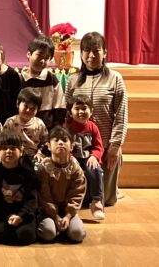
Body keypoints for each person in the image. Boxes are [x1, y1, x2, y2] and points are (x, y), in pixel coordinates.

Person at [64, 31, 128, 206]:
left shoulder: (115, 78)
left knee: (106, 199)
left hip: (105, 146)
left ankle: (112, 190)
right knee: (81, 199)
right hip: (79, 149)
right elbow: (67, 113)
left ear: (104, 53)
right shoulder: (73, 80)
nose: (91, 55)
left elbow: (121, 114)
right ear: (81, 54)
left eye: (96, 50)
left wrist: (115, 146)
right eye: (86, 50)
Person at [0, 132, 39, 245]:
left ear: (21, 150)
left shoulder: (27, 171)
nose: (8, 151)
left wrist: (21, 216)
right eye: (4, 148)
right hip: (3, 213)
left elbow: (32, 199)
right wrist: (8, 215)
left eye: (13, 148)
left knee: (26, 235)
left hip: (24, 214)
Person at [37, 126, 86, 243]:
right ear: (49, 146)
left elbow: (77, 194)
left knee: (77, 234)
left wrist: (68, 216)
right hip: (48, 211)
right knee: (48, 233)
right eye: (56, 140)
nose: (60, 143)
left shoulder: (75, 168)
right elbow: (44, 196)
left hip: (68, 211)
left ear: (72, 146)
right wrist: (55, 216)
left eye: (64, 140)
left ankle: (66, 226)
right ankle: (57, 226)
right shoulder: (44, 168)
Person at [66, 94, 105, 219]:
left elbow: (98, 146)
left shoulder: (93, 127)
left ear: (91, 111)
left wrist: (94, 156)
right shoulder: (66, 127)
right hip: (71, 157)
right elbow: (64, 145)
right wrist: (70, 157)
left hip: (88, 157)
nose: (81, 112)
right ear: (70, 112)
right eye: (77, 109)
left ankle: (96, 202)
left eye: (84, 108)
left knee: (95, 169)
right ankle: (69, 204)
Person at [20, 35, 66, 129]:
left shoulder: (52, 80)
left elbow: (59, 108)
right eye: (39, 55)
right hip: (21, 130)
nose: (42, 61)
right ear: (29, 54)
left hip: (47, 131)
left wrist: (55, 130)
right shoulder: (19, 79)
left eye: (47, 58)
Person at [2, 88, 48, 163]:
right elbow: (3, 141)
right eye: (25, 106)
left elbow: (45, 142)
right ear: (17, 104)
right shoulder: (10, 122)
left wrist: (39, 153)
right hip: (14, 156)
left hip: (33, 157)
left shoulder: (40, 124)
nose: (28, 110)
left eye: (33, 108)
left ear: (38, 109)